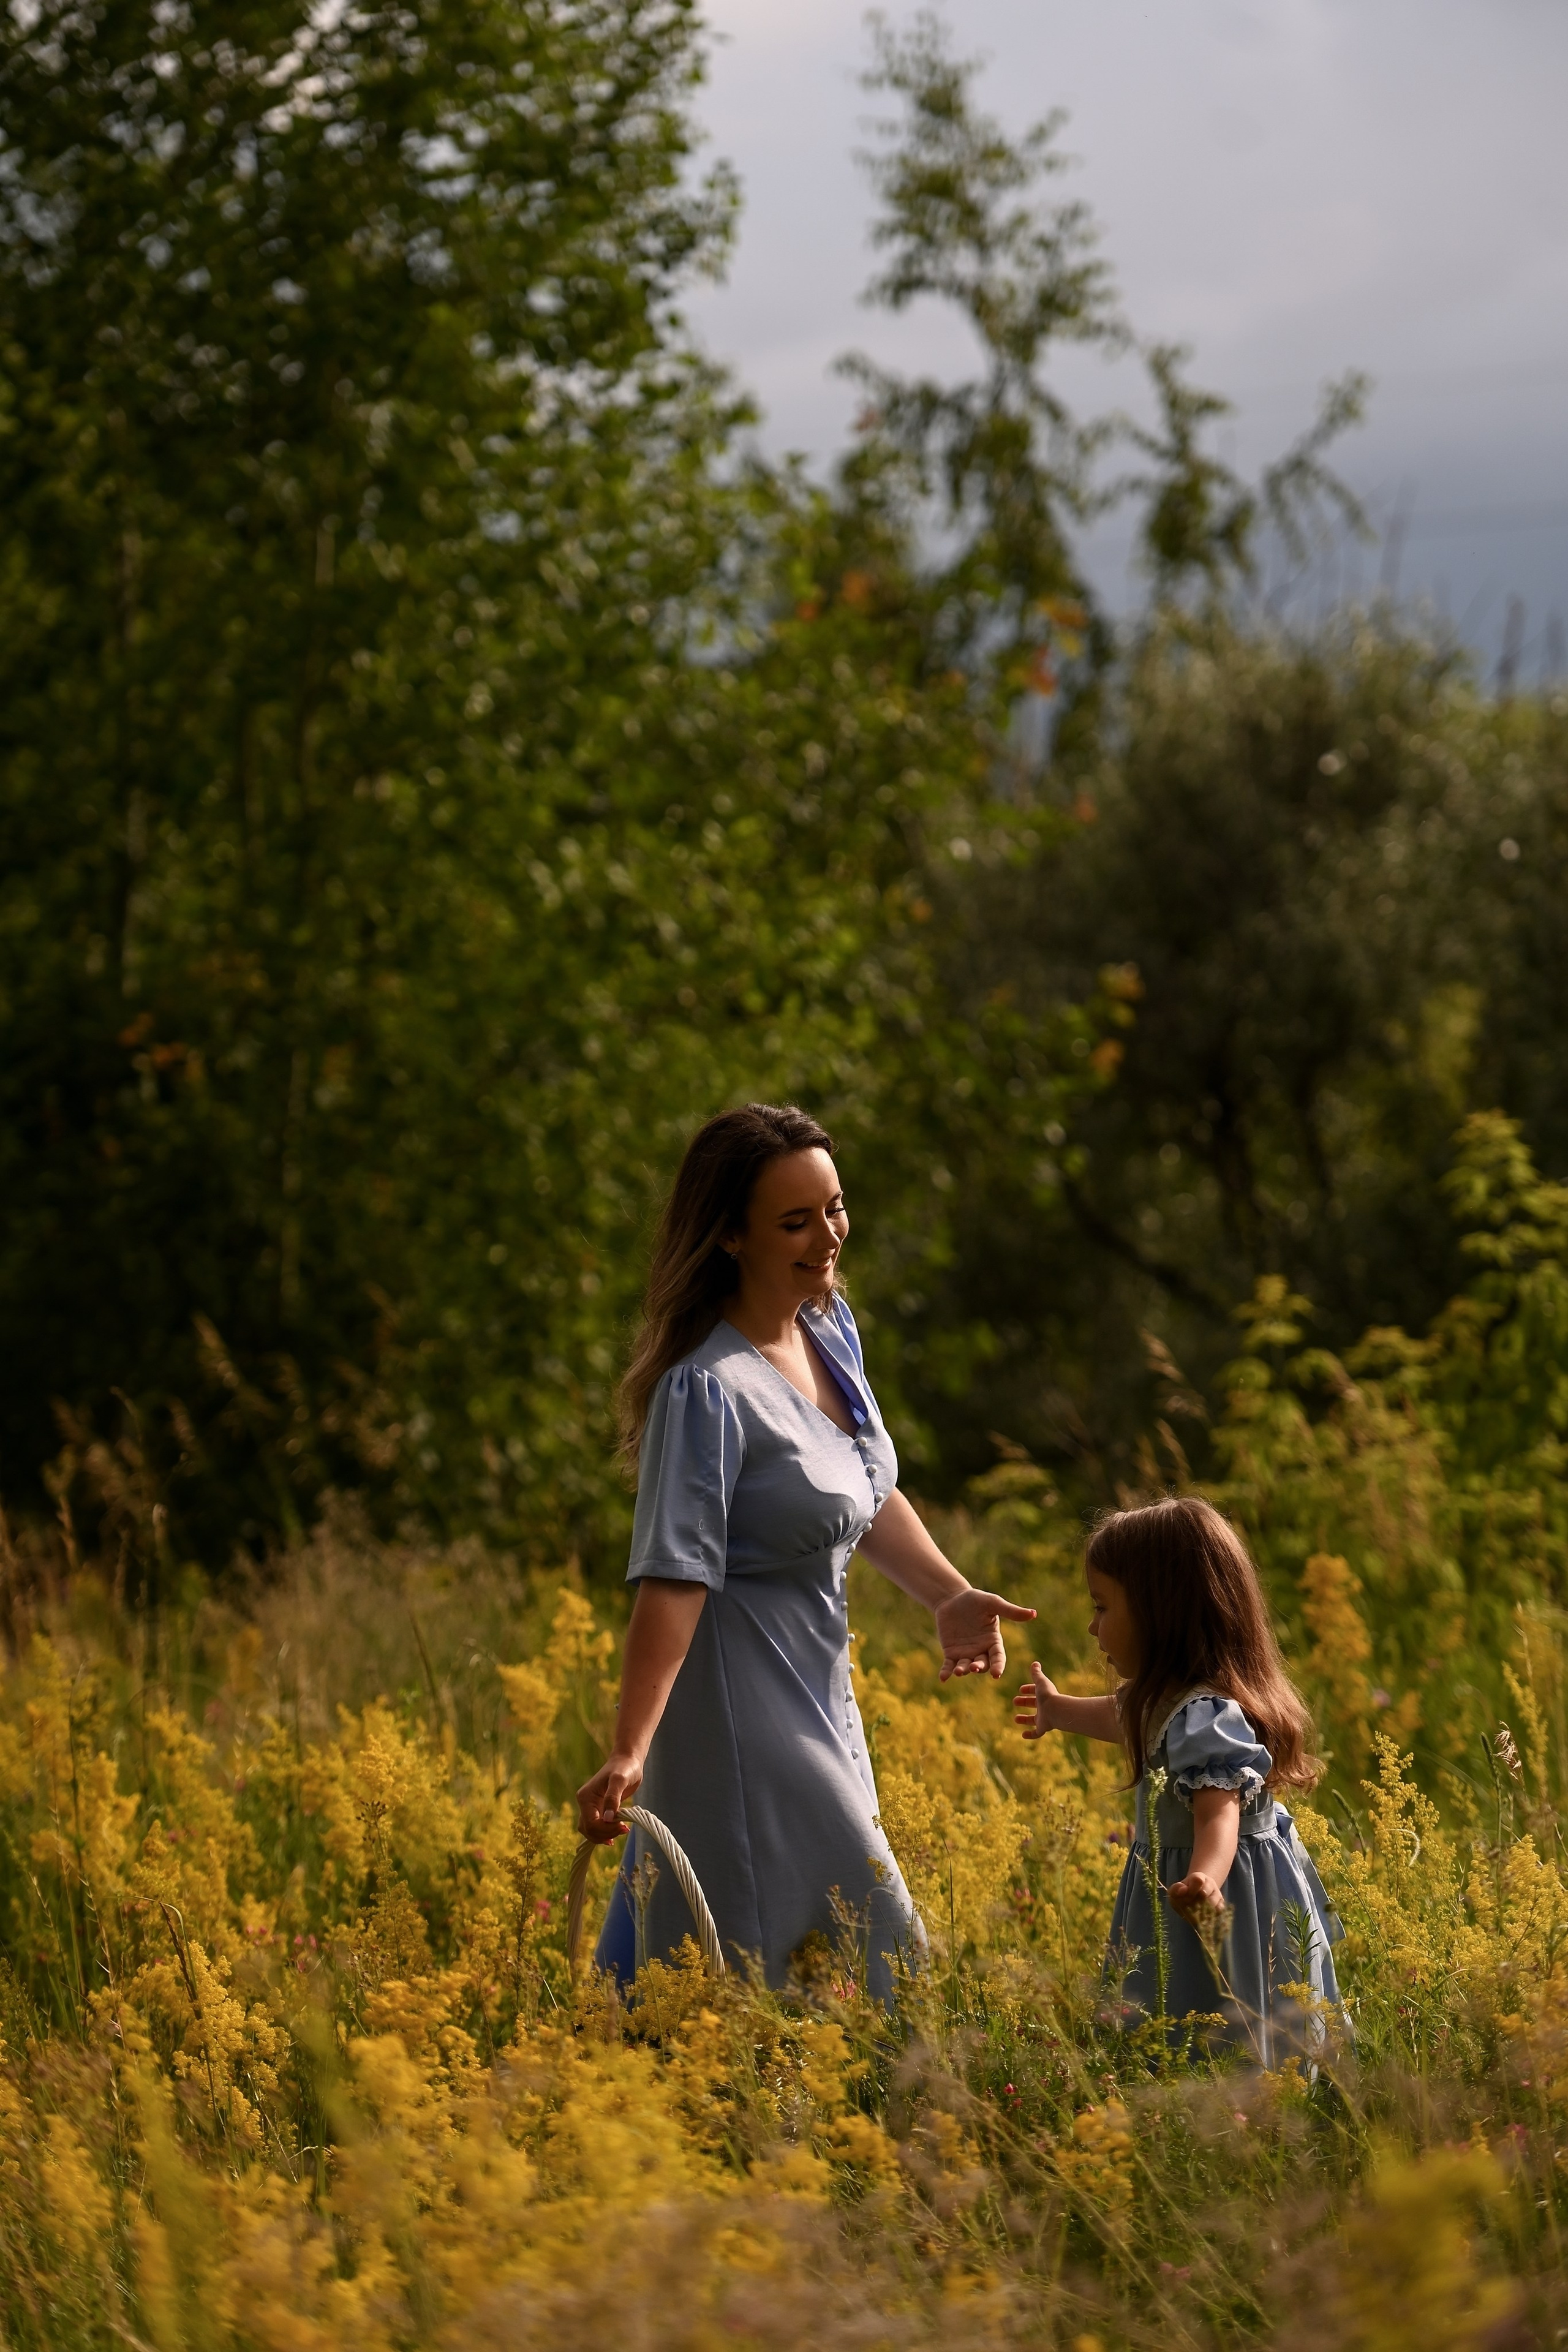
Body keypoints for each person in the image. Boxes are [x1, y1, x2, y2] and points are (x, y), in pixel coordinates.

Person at [576, 1102, 1036, 1998]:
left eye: (834, 1208)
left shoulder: (829, 1329)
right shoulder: (703, 1392)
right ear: (729, 1238)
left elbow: (861, 1487)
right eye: (795, 1222)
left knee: (806, 1964)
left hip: (821, 1691)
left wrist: (946, 1594)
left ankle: (763, 2120)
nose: (827, 1237)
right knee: (869, 1943)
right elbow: (672, 1579)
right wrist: (632, 1749)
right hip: (741, 1710)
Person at [1014, 1496, 1343, 2062]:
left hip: (1217, 1891)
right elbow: (1125, 1720)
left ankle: (1243, 2118)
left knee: (1226, 2020)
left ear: (1159, 1613)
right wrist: (1057, 1710)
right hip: (1190, 1883)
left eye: (1102, 1607)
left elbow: (1219, 1810)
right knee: (1181, 2014)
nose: (1093, 1627)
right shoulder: (1166, 1704)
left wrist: (1205, 1880)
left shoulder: (1204, 1714)